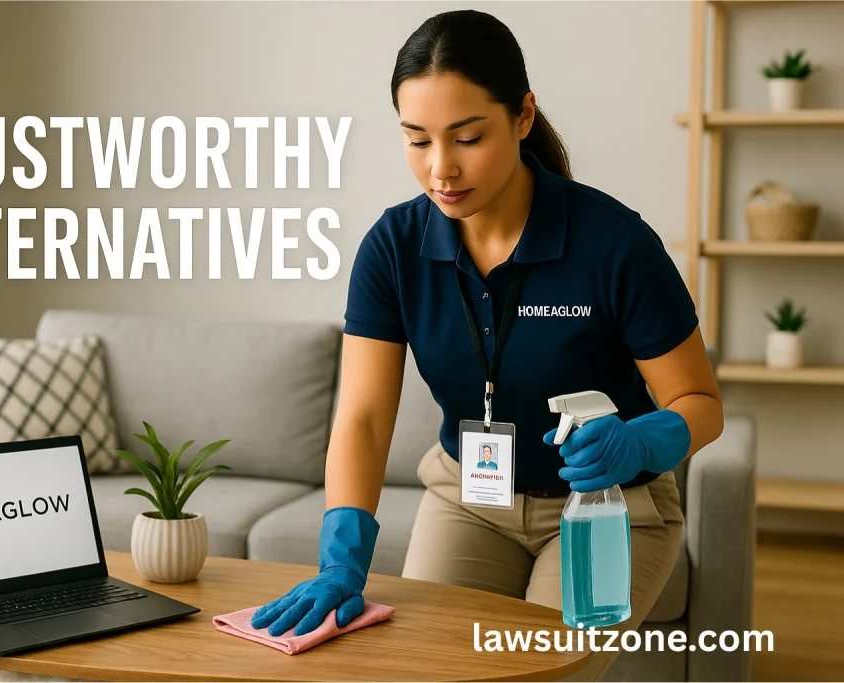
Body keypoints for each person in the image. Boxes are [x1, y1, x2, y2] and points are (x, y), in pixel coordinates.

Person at [250, 9, 723, 680]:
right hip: (471, 501)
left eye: (467, 137)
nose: (440, 168)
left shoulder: (616, 245)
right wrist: (341, 554)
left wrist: (641, 442)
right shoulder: (393, 248)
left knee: (543, 672)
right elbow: (361, 416)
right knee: (423, 670)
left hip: (607, 510)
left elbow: (701, 401)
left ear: (523, 116)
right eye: (417, 140)